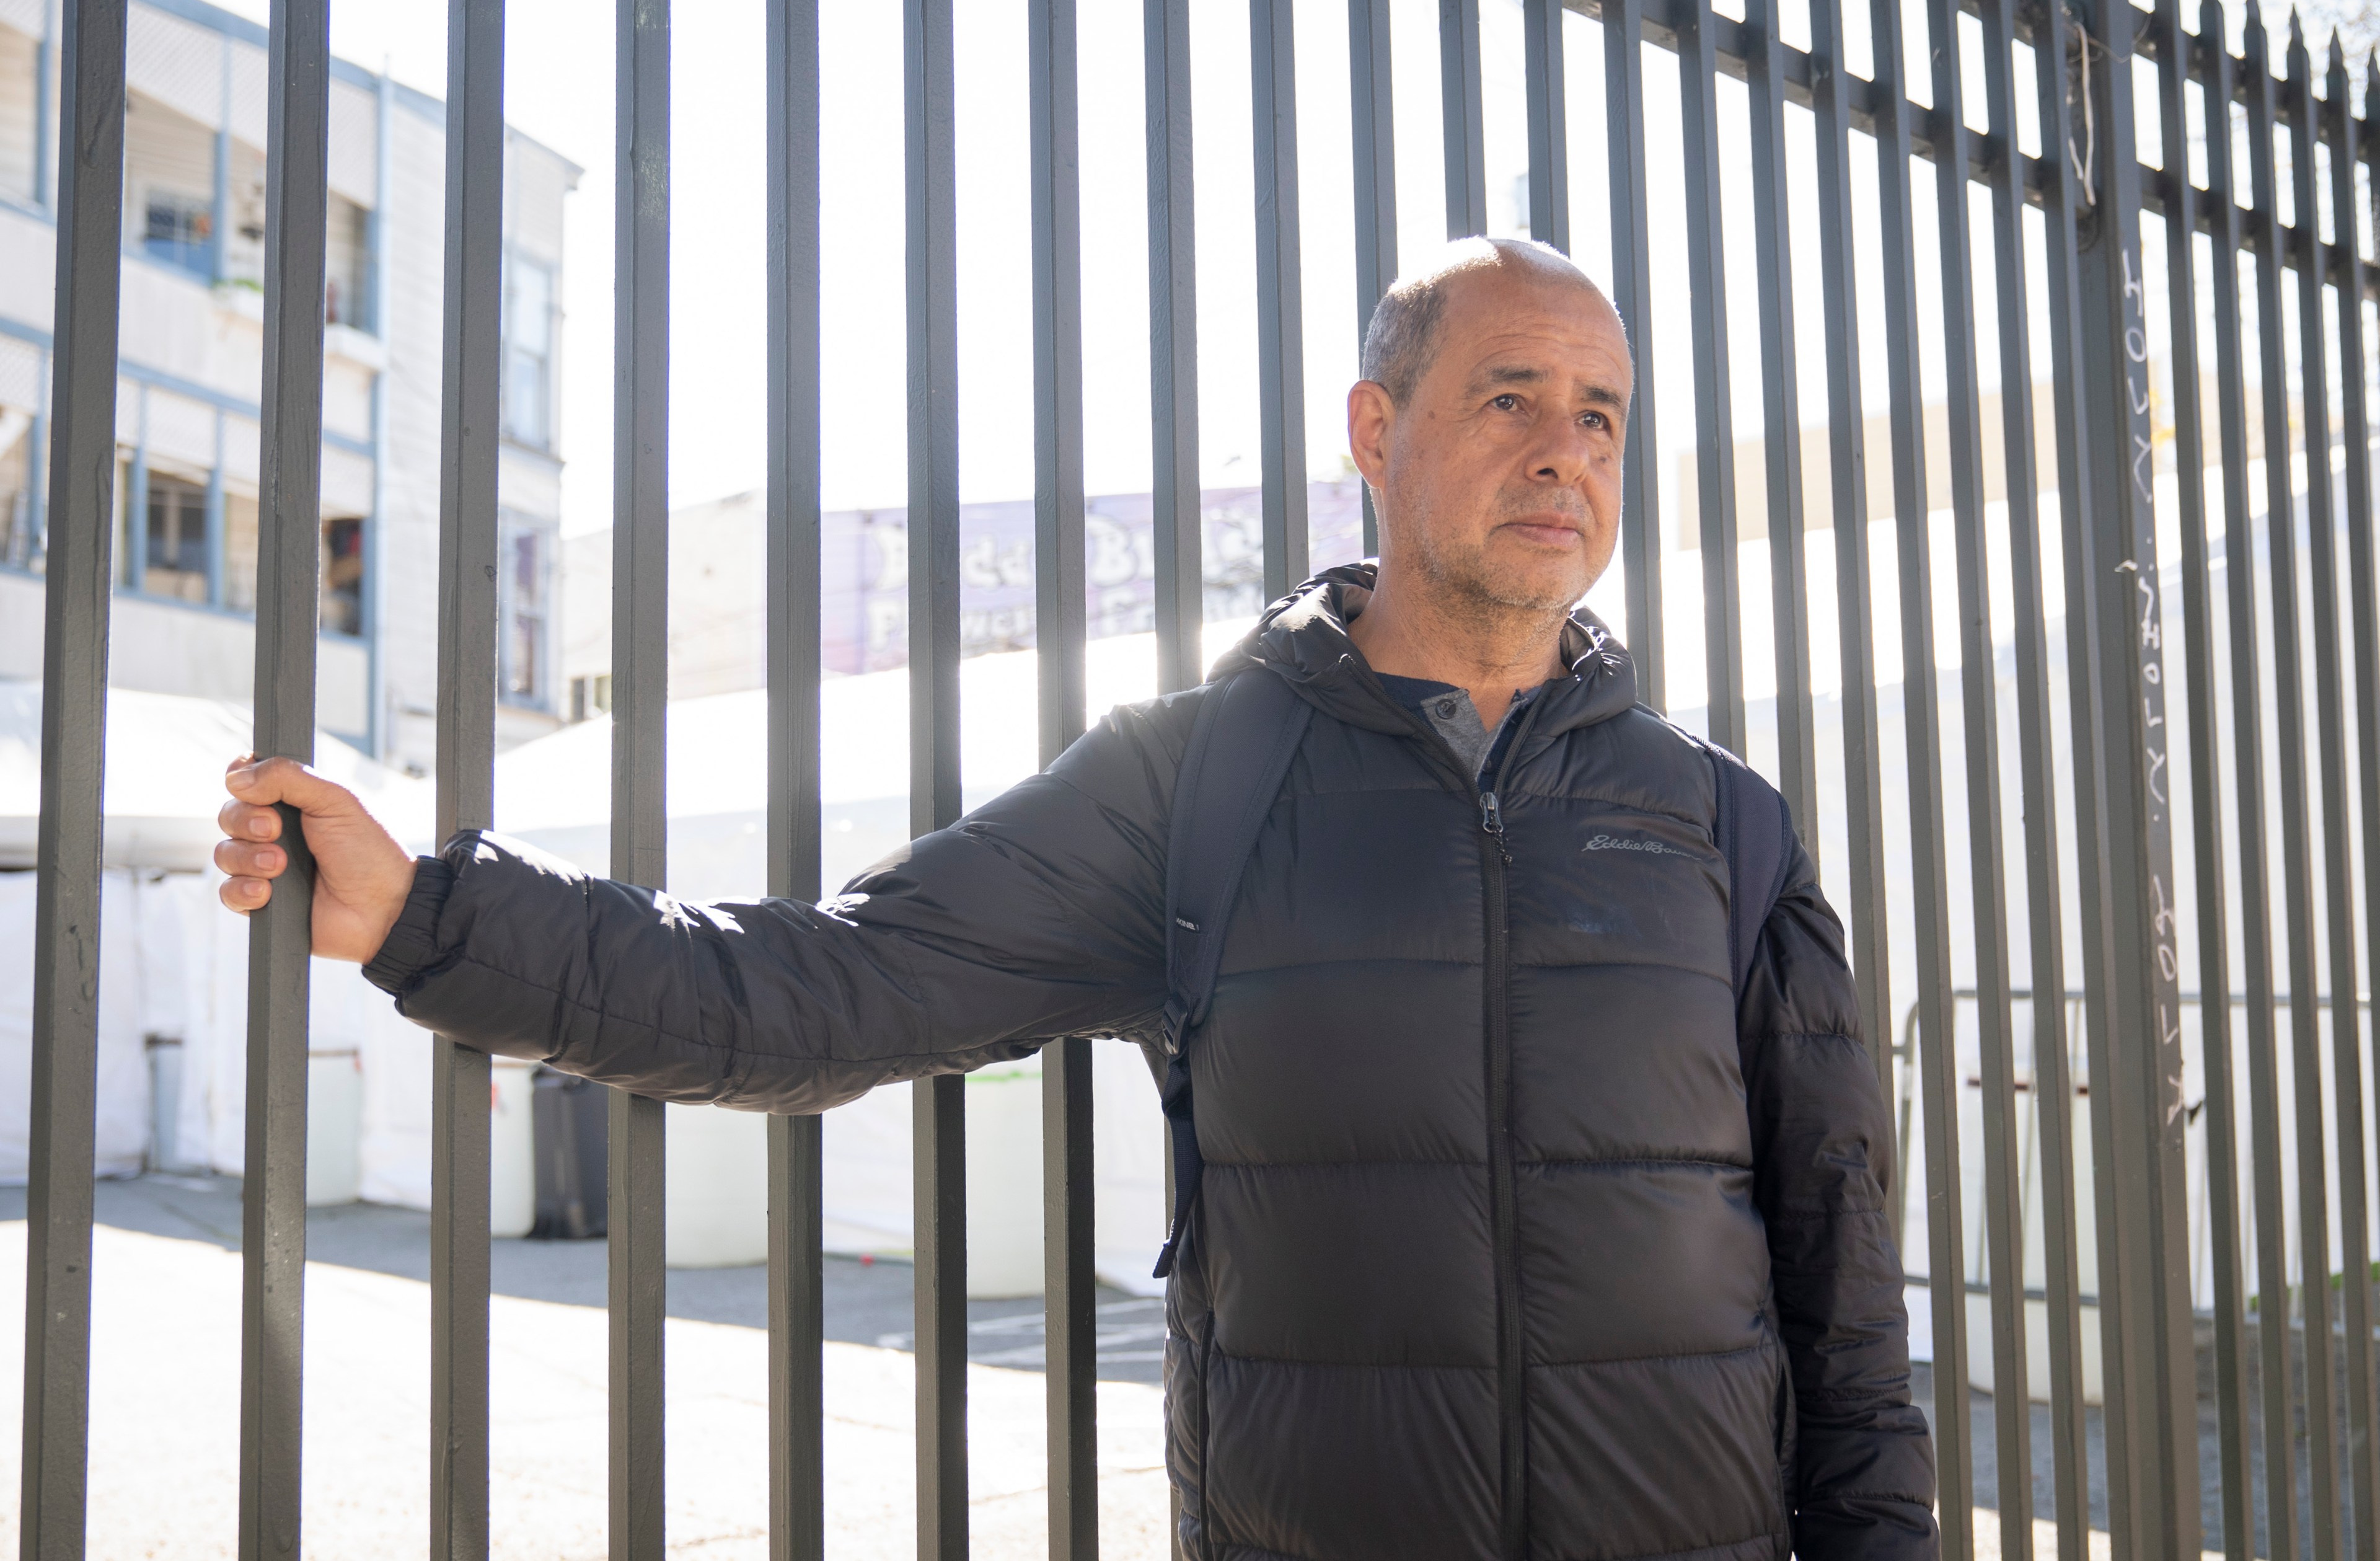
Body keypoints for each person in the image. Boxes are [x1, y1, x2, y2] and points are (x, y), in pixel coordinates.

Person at [216, 238, 1936, 1560]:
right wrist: (431, 914)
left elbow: (1841, 1281)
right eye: (1509, 397)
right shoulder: (1198, 783)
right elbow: (834, 988)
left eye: (1602, 414)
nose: (1566, 452)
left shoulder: (1723, 822)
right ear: (1376, 428)